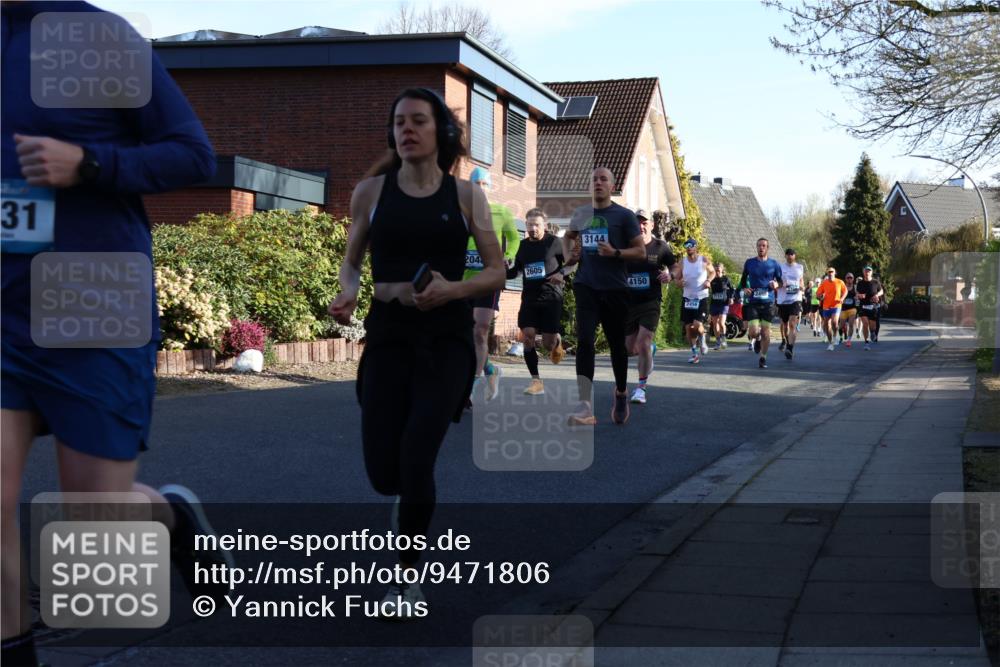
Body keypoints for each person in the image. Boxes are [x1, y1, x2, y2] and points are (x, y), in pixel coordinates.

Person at [2, 5, 232, 664]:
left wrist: (90, 164)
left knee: (94, 515)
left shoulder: (98, 36)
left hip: (92, 295)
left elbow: (191, 152)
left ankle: (171, 518)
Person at [329, 87, 504, 616]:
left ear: (440, 133)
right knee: (386, 473)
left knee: (417, 455)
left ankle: (407, 576)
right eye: (399, 122)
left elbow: (496, 270)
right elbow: (353, 260)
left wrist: (453, 289)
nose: (406, 130)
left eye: (418, 121)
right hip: (388, 337)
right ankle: (403, 506)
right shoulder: (371, 192)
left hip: (446, 341)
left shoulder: (467, 197)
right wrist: (349, 290)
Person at [562, 167, 645, 426]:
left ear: (612, 186)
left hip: (615, 289)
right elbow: (568, 237)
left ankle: (620, 391)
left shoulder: (624, 216)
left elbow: (640, 251)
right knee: (585, 341)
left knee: (617, 346)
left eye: (603, 179)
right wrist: (569, 258)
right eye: (594, 179)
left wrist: (616, 253)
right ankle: (585, 405)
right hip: (586, 285)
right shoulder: (581, 214)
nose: (598, 183)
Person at [465, 166, 520, 400]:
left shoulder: (501, 212)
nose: (480, 189)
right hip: (464, 281)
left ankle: (473, 387)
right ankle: (490, 369)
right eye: (475, 185)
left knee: (480, 330)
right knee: (465, 334)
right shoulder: (462, 213)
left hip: (489, 279)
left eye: (484, 185)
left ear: (489, 187)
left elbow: (515, 238)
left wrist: (509, 256)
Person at [506, 208, 567, 395]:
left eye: (536, 225)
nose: (533, 228)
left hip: (551, 297)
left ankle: (557, 344)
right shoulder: (522, 247)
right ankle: (536, 381)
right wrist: (503, 269)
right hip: (530, 298)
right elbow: (515, 271)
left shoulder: (555, 243)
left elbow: (572, 262)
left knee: (548, 344)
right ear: (526, 225)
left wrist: (561, 273)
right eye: (529, 224)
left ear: (545, 226)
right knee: (528, 336)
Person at [624, 209, 675, 403]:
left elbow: (675, 266)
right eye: (637, 222)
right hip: (629, 303)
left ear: (651, 225)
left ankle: (641, 388)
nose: (641, 226)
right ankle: (649, 350)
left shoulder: (660, 247)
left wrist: (670, 275)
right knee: (630, 349)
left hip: (650, 302)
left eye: (644, 222)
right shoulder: (626, 246)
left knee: (643, 341)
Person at [737, 238, 783, 369]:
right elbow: (743, 280)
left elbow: (781, 282)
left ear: (767, 248)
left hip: (768, 302)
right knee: (753, 332)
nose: (761, 248)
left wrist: (776, 284)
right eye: (759, 246)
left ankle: (763, 357)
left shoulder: (774, 264)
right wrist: (744, 289)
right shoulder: (749, 263)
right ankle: (756, 339)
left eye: (763, 246)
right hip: (753, 302)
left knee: (766, 332)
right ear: (756, 247)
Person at [678, 238, 715, 364]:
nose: (688, 247)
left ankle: (702, 337)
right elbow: (677, 278)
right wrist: (679, 282)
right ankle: (694, 354)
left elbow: (713, 272)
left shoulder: (703, 260)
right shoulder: (682, 262)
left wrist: (708, 280)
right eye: (686, 245)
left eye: (691, 245)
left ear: (695, 247)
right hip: (687, 298)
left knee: (697, 325)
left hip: (701, 297)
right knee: (689, 328)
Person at [777, 248, 805, 360]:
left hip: (795, 298)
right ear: (785, 256)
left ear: (795, 256)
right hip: (783, 299)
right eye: (788, 255)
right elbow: (777, 282)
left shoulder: (800, 267)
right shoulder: (780, 267)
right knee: (785, 324)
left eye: (792, 254)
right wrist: (782, 284)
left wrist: (802, 286)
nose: (790, 256)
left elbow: (801, 280)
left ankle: (790, 348)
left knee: (793, 323)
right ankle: (784, 339)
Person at [815, 267, 848, 351]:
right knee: (827, 325)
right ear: (827, 273)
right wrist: (819, 296)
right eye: (829, 272)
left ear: (835, 273)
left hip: (836, 305)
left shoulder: (840, 282)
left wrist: (842, 298)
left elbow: (845, 291)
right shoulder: (824, 283)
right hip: (826, 306)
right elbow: (818, 293)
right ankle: (830, 343)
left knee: (834, 321)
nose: (830, 273)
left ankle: (835, 336)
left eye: (832, 272)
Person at [855, 265, 884, 350]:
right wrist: (859, 295)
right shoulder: (860, 283)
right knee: (865, 323)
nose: (867, 272)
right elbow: (857, 293)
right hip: (863, 306)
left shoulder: (876, 282)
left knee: (872, 327)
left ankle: (872, 332)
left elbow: (881, 291)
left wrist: (877, 295)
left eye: (869, 271)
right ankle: (866, 342)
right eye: (866, 271)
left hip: (873, 306)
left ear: (871, 272)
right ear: (863, 272)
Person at [709, 262, 735, 350]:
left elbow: (732, 289)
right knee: (715, 323)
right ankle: (718, 341)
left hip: (724, 303)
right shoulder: (711, 279)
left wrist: (731, 298)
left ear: (722, 269)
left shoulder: (726, 279)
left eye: (718, 269)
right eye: (715, 269)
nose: (717, 271)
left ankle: (723, 338)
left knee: (721, 323)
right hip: (714, 303)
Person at [839, 272, 858, 348]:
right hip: (843, 309)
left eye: (851, 278)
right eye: (848, 278)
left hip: (852, 309)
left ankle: (849, 340)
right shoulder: (842, 287)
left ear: (853, 279)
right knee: (841, 326)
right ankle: (841, 336)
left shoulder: (855, 287)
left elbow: (859, 295)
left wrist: (857, 297)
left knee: (851, 324)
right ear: (845, 279)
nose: (849, 279)